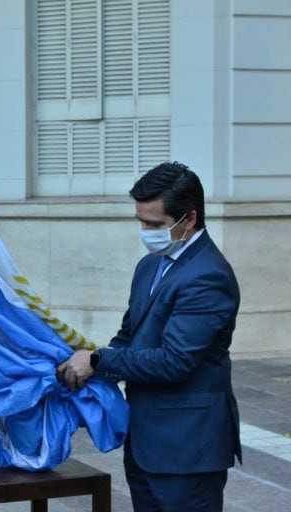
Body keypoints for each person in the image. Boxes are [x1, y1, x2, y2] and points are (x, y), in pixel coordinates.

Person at [57, 162, 241, 511]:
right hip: (145, 441)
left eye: (155, 224)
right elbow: (129, 336)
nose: (145, 231)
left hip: (188, 449)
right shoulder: (150, 265)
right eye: (140, 221)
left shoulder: (208, 277)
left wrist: (97, 360)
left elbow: (174, 362)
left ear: (189, 219)